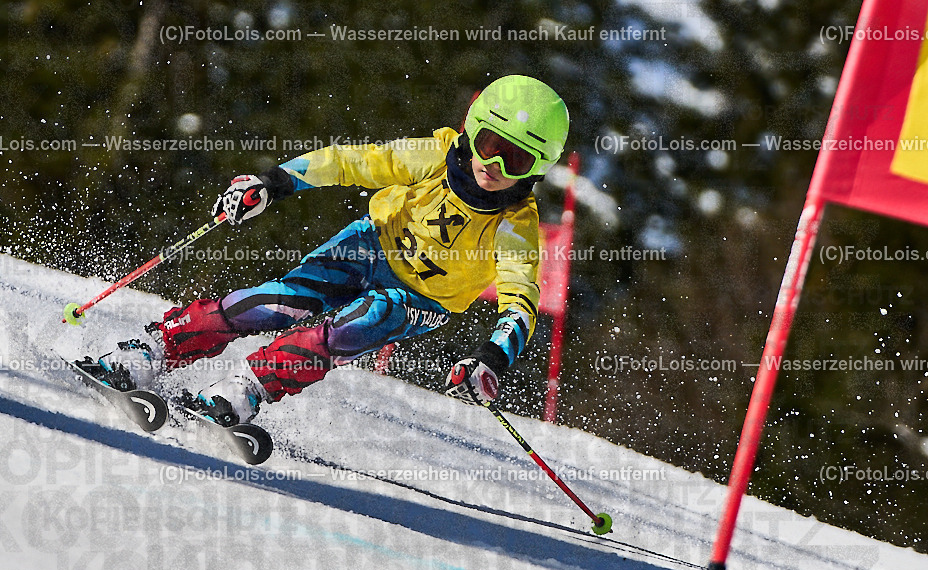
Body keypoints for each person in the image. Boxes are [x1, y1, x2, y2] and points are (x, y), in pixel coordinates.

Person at [79, 74, 570, 426]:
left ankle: (245, 389)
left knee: (358, 324)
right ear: (471, 129)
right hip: (369, 245)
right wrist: (273, 184)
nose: (495, 164)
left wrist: (491, 357)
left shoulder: (514, 226)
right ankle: (153, 349)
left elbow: (519, 300)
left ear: (537, 167)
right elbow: (349, 163)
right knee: (282, 302)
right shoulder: (432, 157)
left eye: (517, 157)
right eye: (489, 143)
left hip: (425, 300)